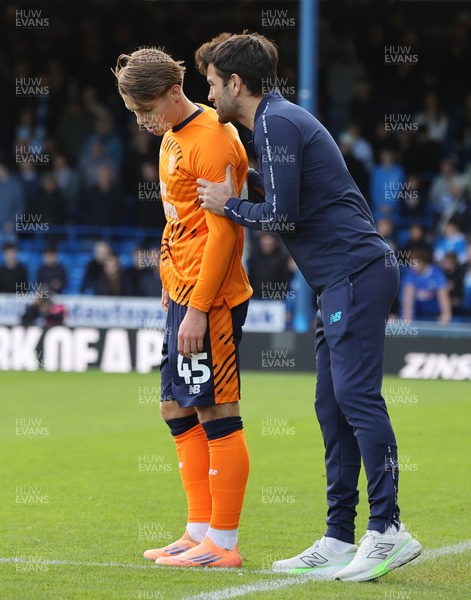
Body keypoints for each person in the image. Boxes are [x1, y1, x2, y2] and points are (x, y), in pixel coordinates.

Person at [196, 32, 421, 582]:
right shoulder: (275, 122)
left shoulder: (275, 123)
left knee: (356, 398)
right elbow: (290, 197)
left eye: (211, 84)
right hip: (340, 281)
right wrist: (248, 186)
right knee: (332, 403)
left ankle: (389, 529)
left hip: (355, 273)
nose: (208, 96)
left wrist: (232, 205)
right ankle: (339, 536)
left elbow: (281, 215)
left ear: (235, 83)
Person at [113, 46, 252, 568]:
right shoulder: (172, 137)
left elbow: (223, 234)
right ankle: (198, 530)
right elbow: (180, 222)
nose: (143, 121)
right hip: (183, 291)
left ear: (176, 91)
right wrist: (169, 282)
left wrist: (196, 307)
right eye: (134, 113)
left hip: (209, 300)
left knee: (216, 407)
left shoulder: (213, 139)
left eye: (147, 108)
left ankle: (224, 543)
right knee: (175, 405)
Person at [402, 248, 452, 324]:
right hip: (418, 316)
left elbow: (444, 303)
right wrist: (408, 324)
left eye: (415, 262)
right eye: (410, 263)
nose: (412, 266)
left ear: (423, 262)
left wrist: (444, 320)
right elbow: (408, 304)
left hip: (434, 316)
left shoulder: (437, 274)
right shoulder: (410, 274)